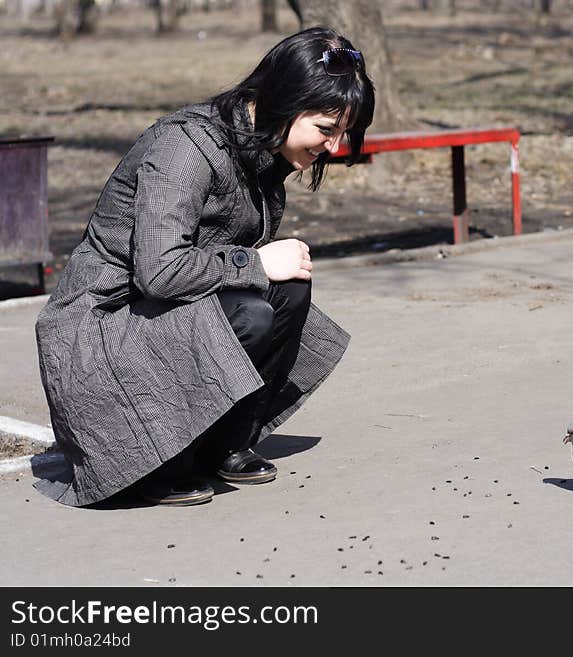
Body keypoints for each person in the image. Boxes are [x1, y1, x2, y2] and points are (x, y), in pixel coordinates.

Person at [33, 26, 375, 507]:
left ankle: (222, 444)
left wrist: (258, 269)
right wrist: (254, 263)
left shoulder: (262, 154)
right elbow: (160, 270)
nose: (335, 147)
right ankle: (157, 462)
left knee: (289, 290)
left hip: (153, 318)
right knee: (252, 310)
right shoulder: (186, 147)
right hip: (99, 335)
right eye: (326, 129)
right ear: (284, 100)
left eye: (344, 133)